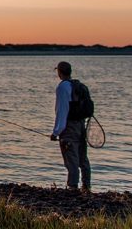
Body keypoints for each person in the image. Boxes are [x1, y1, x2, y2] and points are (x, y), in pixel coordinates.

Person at [51, 61, 90, 191]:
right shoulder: (78, 86)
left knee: (71, 158)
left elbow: (62, 111)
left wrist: (56, 132)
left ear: (59, 72)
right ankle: (86, 186)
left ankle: (73, 187)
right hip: (81, 125)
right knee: (82, 158)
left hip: (69, 127)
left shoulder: (62, 88)